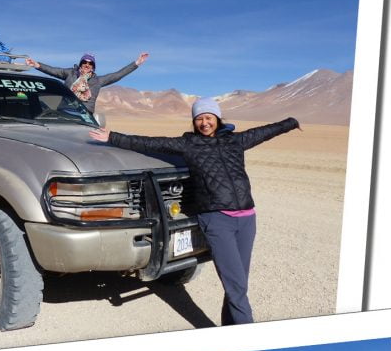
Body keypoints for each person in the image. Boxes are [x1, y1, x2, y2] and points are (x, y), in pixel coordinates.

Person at [90, 98, 300, 324]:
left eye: (208, 117)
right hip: (217, 219)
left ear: (217, 119)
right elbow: (150, 143)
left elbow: (264, 132)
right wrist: (113, 137)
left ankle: (230, 328)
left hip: (247, 218)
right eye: (199, 119)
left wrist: (290, 122)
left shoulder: (235, 141)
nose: (204, 123)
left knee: (238, 283)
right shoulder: (188, 145)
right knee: (236, 286)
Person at [24, 51, 149, 114]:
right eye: (84, 62)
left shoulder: (98, 81)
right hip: (64, 111)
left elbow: (117, 75)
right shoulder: (70, 73)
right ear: (80, 64)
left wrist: (136, 63)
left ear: (93, 67)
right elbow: (53, 70)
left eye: (90, 63)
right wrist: (36, 65)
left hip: (85, 114)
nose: (87, 65)